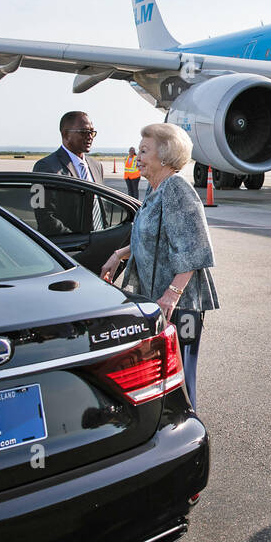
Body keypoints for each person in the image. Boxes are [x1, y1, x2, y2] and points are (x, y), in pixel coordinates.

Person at [101, 123, 218, 410]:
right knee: (160, 374)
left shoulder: (177, 189)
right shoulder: (156, 190)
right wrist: (119, 254)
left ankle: (186, 428)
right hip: (158, 298)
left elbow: (194, 246)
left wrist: (172, 295)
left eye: (144, 151)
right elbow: (155, 238)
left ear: (165, 156)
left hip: (179, 304)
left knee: (180, 376)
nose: (137, 157)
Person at [32, 111, 105, 234]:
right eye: (84, 132)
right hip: (70, 247)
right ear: (66, 134)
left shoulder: (97, 167)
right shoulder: (46, 167)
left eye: (92, 132)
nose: (90, 136)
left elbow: (101, 209)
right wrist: (77, 241)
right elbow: (44, 216)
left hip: (99, 243)